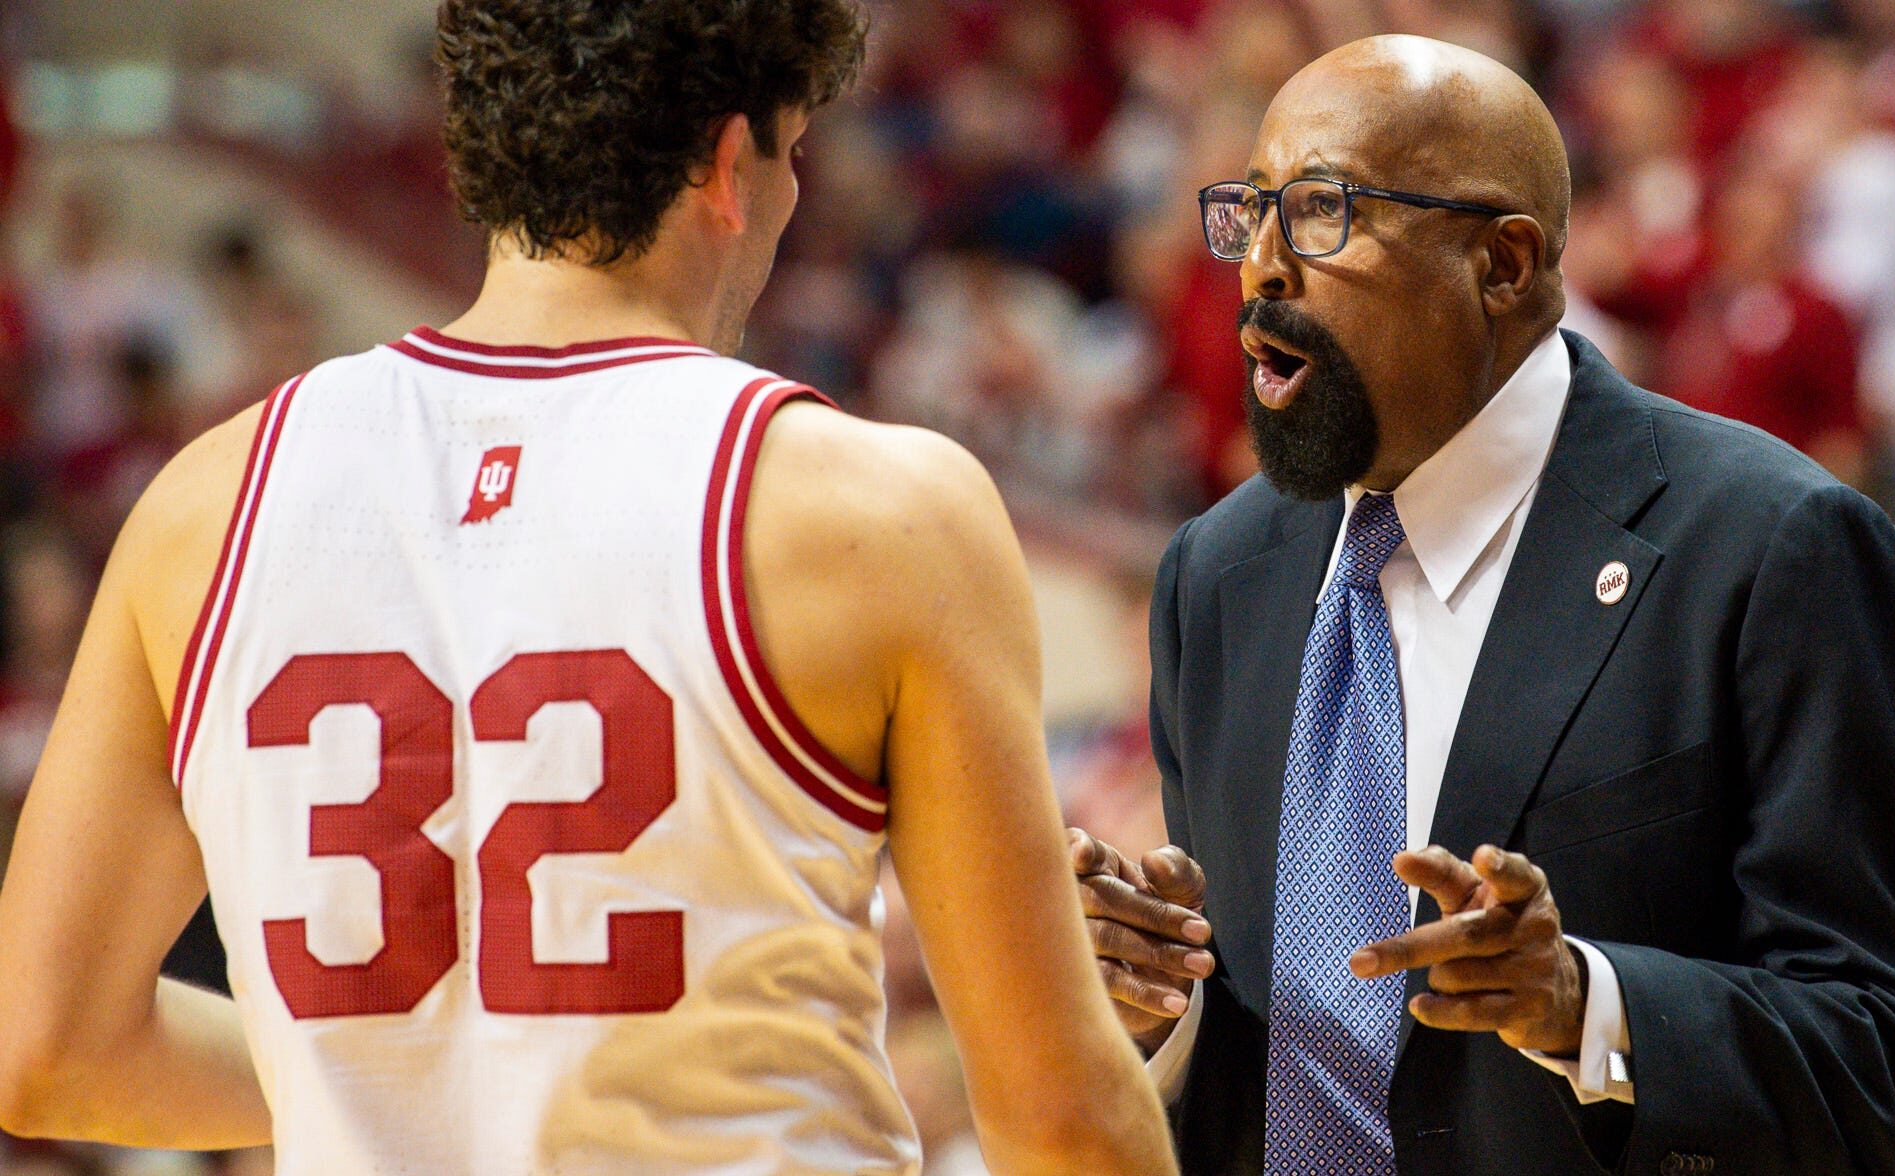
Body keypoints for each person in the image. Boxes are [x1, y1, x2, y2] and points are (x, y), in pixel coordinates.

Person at [0, 3, 1177, 1174]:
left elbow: (46, 1048)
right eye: (793, 150)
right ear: (730, 165)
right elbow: (1059, 1120)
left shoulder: (204, 507)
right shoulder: (873, 510)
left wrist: (417, 1072)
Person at [1070, 34, 1895, 1175]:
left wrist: (1586, 1005)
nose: (1259, 265)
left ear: (1501, 262)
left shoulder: (1770, 549)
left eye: (1319, 211)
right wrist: (1148, 1006)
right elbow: (1284, 1050)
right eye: (1247, 213)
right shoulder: (1216, 574)